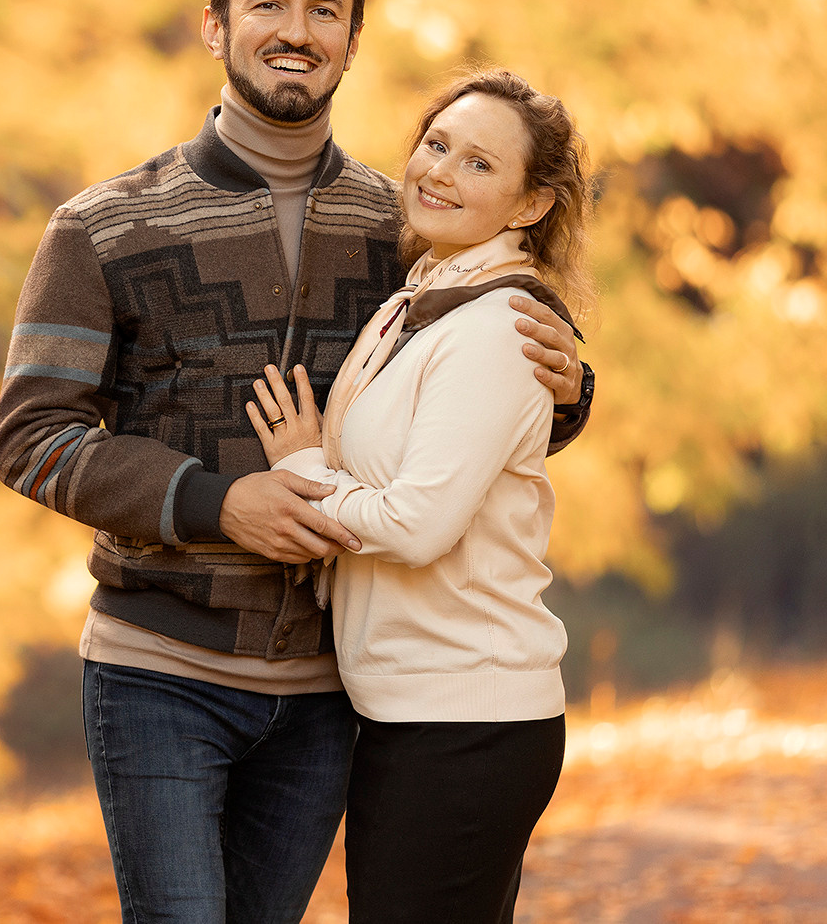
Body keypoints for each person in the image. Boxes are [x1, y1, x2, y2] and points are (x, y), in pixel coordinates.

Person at [0, 0, 594, 924]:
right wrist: (215, 502)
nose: (296, 30)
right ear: (214, 27)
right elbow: (31, 438)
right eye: (266, 2)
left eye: (324, 10)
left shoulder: (404, 229)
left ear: (351, 43)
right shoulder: (103, 226)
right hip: (159, 671)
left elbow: (471, 407)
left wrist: (573, 390)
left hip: (326, 689)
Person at [247, 69, 591, 923]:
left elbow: (416, 524)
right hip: (414, 713)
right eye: (437, 144)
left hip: (467, 721)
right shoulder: (418, 300)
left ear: (531, 205)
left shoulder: (499, 329)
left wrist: (304, 470)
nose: (440, 171)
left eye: (479, 164)